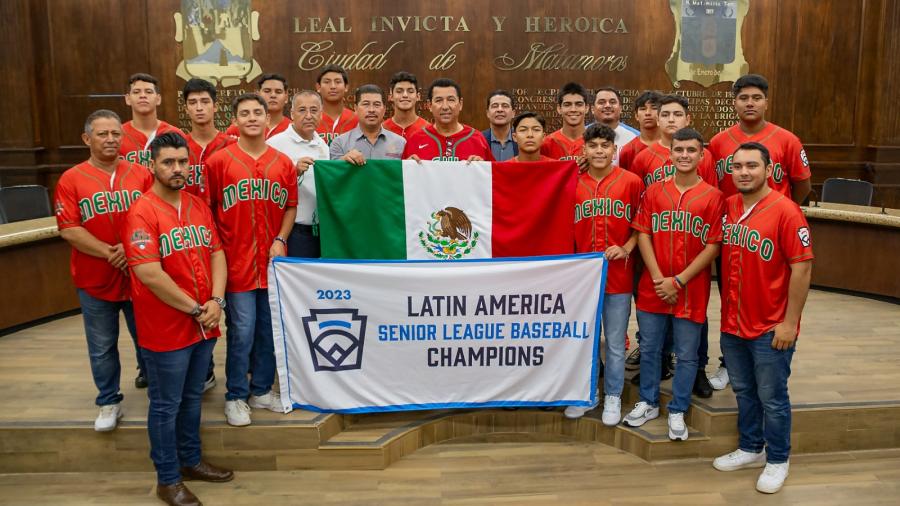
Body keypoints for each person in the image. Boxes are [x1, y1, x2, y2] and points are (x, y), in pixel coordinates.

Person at [123, 132, 233, 505]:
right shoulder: (142, 210)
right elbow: (149, 273)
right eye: (168, 162)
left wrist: (216, 300)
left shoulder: (197, 204)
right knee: (166, 404)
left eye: (183, 162)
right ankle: (167, 479)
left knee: (191, 397)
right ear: (152, 165)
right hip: (168, 325)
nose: (177, 169)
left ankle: (191, 461)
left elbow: (217, 252)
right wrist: (195, 308)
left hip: (204, 320)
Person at [712, 142, 813, 494]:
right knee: (743, 390)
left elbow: (802, 269)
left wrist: (789, 322)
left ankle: (778, 459)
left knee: (772, 396)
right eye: (737, 166)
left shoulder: (786, 211)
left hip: (771, 326)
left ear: (768, 170)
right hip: (733, 322)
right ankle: (751, 447)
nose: (743, 172)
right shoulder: (728, 206)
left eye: (752, 165)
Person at [707, 74, 812, 390]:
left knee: (772, 294)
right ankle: (730, 363)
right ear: (735, 102)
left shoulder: (787, 140)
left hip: (772, 230)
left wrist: (782, 213)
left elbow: (802, 183)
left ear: (766, 101)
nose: (750, 103)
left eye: (756, 98)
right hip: (734, 231)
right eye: (743, 98)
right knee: (733, 295)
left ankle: (775, 348)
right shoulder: (719, 142)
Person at [624, 128, 724, 441]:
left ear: (701, 154)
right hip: (653, 286)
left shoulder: (713, 196)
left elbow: (713, 246)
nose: (684, 155)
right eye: (678, 149)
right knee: (651, 348)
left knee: (687, 353)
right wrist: (657, 278)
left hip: (690, 288)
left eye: (691, 150)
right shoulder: (654, 192)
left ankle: (678, 408)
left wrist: (678, 280)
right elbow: (643, 234)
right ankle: (649, 401)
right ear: (671, 153)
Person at [54, 109, 151, 430]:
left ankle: (158, 393)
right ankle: (109, 401)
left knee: (148, 340)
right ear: (87, 138)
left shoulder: (140, 173)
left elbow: (154, 216)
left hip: (140, 275)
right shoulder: (71, 179)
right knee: (101, 346)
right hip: (95, 279)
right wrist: (111, 252)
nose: (111, 140)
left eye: (115, 134)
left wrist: (130, 247)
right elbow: (69, 228)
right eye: (102, 134)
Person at [206, 94, 298, 426]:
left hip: (272, 263)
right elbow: (209, 210)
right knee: (242, 330)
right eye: (245, 113)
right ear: (236, 120)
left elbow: (290, 205)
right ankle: (235, 395)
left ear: (267, 117)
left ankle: (260, 391)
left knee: (268, 330)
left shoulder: (282, 161)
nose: (252, 118)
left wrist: (280, 238)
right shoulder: (219, 161)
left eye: (257, 112)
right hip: (236, 262)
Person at [566, 124, 643, 424]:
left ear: (614, 150)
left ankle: (612, 395)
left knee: (613, 340)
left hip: (618, 276)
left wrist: (626, 247)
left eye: (604, 145)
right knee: (584, 339)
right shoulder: (572, 183)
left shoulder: (631, 182)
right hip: (582, 279)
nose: (599, 150)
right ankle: (587, 394)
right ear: (583, 150)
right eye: (593, 145)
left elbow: (641, 225)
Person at [267, 90, 330, 258]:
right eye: (302, 110)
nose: (309, 115)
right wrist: (293, 172)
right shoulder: (274, 144)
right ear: (292, 113)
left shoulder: (323, 145)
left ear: (321, 114)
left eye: (314, 110)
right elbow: (266, 185)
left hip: (321, 231)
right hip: (293, 231)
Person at [630, 95, 718, 188]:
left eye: (678, 114)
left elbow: (712, 194)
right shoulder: (642, 158)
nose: (671, 120)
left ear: (687, 120)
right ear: (658, 120)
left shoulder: (704, 155)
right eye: (665, 115)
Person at [402, 78, 492, 161]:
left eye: (451, 100)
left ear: (460, 104)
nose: (445, 106)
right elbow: (400, 177)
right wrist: (408, 167)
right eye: (438, 100)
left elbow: (494, 176)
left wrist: (483, 167)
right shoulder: (415, 140)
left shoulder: (477, 139)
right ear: (429, 105)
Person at [120, 73, 185, 168]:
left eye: (148, 92)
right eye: (136, 92)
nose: (143, 95)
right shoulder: (117, 135)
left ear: (158, 99)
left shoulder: (175, 134)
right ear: (128, 99)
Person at [330, 84, 406, 163]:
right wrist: (343, 161)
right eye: (366, 104)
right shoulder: (339, 143)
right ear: (355, 108)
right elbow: (332, 173)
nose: (371, 110)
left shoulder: (400, 143)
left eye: (377, 105)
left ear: (384, 109)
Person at [225, 73, 292, 140]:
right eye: (267, 91)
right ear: (258, 95)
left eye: (278, 92)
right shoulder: (237, 128)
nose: (273, 95)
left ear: (286, 98)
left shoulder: (293, 129)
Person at [589, 86, 639, 164]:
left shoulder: (636, 137)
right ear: (592, 109)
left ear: (621, 108)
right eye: (601, 102)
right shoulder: (582, 134)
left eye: (612, 102)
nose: (607, 106)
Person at [540, 82, 590, 161]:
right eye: (567, 105)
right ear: (559, 109)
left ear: (587, 108)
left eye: (578, 104)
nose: (573, 109)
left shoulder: (595, 143)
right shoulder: (547, 144)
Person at [618, 91, 662, 172]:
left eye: (654, 108)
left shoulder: (673, 146)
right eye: (643, 109)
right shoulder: (628, 150)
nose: (648, 113)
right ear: (636, 115)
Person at [316, 64, 358, 144]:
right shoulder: (310, 119)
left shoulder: (357, 120)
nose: (332, 86)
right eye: (327, 82)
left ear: (346, 87)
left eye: (338, 82)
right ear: (318, 87)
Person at [383, 71, 430, 139]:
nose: (405, 95)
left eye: (410, 91)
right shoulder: (383, 129)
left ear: (418, 96)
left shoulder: (428, 130)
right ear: (391, 97)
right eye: (399, 91)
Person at [481, 90, 518, 161]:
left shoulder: (521, 140)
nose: (500, 110)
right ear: (488, 113)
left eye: (505, 106)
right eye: (495, 106)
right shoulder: (479, 139)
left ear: (513, 113)